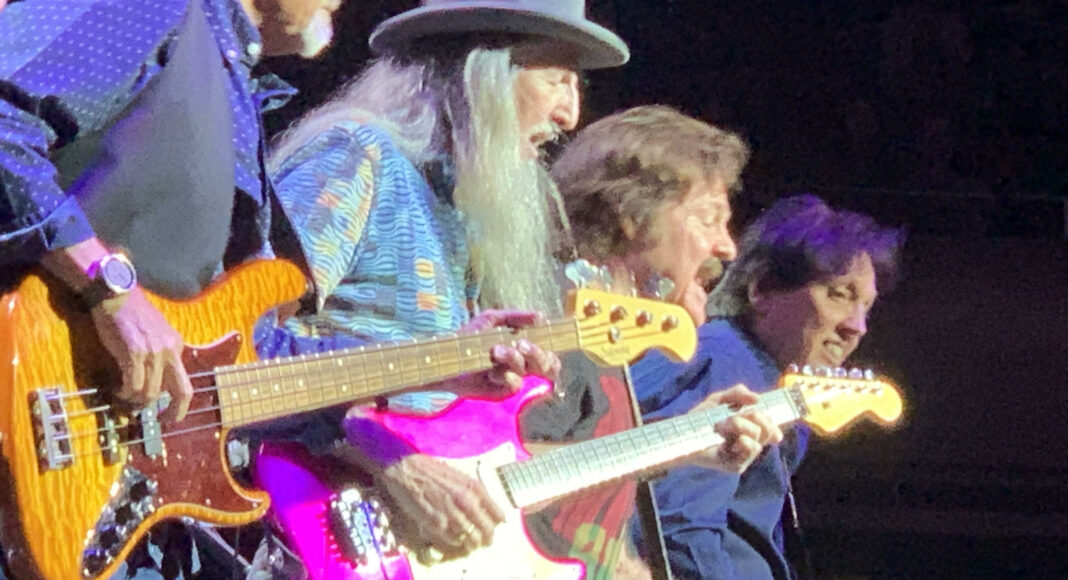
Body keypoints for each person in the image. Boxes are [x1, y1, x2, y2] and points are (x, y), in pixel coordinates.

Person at [254, 0, 632, 567]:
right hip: (295, 521)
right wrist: (384, 456)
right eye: (557, 78)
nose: (571, 114)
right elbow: (236, 348)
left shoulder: (456, 205)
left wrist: (460, 368)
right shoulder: (358, 156)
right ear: (485, 71)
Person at [0, 0, 346, 577]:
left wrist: (449, 366)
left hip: (98, 502)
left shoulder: (232, 78)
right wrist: (107, 288)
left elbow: (239, 356)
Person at [552, 104, 786, 577]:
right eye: (708, 218)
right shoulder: (551, 327)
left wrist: (684, 440)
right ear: (630, 217)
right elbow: (505, 485)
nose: (728, 247)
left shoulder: (609, 347)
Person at [629, 194, 904, 579]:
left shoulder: (763, 374)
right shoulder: (727, 364)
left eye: (867, 307)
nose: (857, 327)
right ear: (761, 290)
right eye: (840, 295)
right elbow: (676, 532)